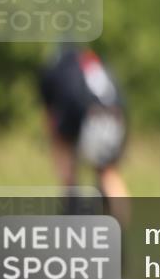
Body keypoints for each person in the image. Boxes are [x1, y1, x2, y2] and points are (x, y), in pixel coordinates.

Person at [38, 44, 130, 223]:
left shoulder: (56, 68)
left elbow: (50, 114)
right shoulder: (97, 63)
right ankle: (119, 230)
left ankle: (71, 215)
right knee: (108, 172)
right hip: (115, 114)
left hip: (84, 112)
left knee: (64, 159)